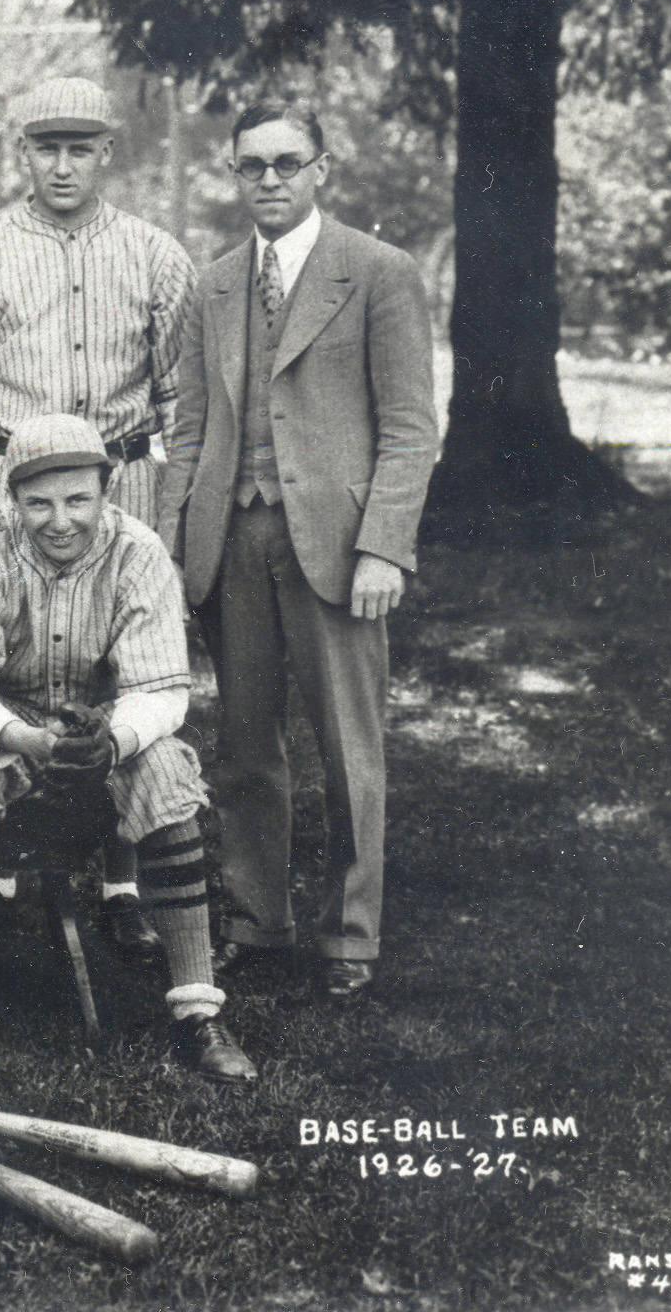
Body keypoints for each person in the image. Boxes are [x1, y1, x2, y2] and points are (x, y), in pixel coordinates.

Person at [156, 99, 437, 1000]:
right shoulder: (214, 283)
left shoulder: (378, 272)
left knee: (349, 749)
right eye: (251, 167)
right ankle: (257, 919)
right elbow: (191, 428)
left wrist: (385, 548)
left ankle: (351, 935)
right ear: (234, 175)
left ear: (323, 169)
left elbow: (408, 430)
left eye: (286, 163)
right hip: (229, 538)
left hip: (339, 545)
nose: (268, 181)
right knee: (243, 747)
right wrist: (169, 548)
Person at [0, 413, 256, 1084]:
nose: (59, 519)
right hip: (7, 726)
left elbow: (164, 692)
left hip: (105, 726)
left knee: (167, 765)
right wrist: (20, 736)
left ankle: (198, 1008)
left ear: (106, 489)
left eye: (77, 500)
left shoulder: (141, 551)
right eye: (38, 502)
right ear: (13, 499)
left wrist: (115, 738)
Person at [0, 76, 197, 953]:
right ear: (23, 155)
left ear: (107, 153)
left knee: (119, 669)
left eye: (80, 148)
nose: (63, 165)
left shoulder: (157, 255)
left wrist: (171, 505)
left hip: (120, 478)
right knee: (10, 664)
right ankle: (2, 864)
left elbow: (176, 396)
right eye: (46, 148)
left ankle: (120, 879)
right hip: (14, 480)